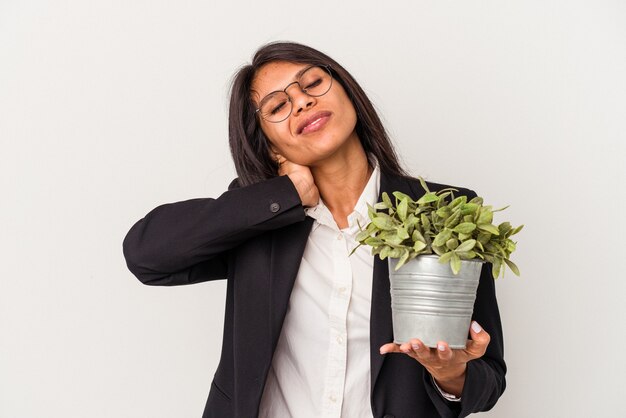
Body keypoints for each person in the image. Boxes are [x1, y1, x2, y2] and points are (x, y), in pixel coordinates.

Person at [122, 41, 506, 418]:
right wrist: (285, 194)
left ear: (347, 92)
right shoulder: (258, 218)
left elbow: (488, 380)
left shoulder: (445, 211)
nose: (302, 102)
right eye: (277, 106)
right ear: (269, 144)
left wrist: (451, 373)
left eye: (312, 84)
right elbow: (147, 255)